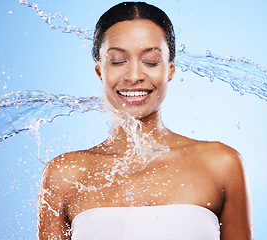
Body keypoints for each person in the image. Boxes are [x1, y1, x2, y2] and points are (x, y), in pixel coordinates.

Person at [37, 2, 253, 240]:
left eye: (150, 61)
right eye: (118, 61)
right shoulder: (65, 174)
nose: (134, 76)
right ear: (100, 71)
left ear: (170, 69)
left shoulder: (221, 164)